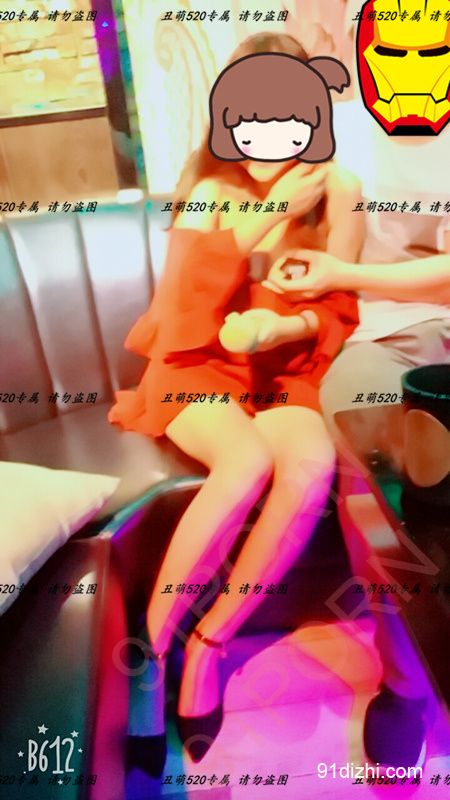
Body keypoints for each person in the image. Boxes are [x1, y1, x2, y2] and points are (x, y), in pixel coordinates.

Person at [109, 33, 363, 770]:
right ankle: (152, 652)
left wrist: (287, 326)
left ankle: (211, 641)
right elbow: (182, 314)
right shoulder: (211, 189)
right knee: (245, 462)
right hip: (196, 367)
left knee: (309, 468)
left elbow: (338, 308)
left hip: (282, 375)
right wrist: (272, 208)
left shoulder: (341, 190)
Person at [265, 97, 450, 769]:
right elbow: (278, 235)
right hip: (384, 336)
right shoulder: (339, 125)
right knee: (370, 475)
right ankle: (405, 683)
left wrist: (344, 272)